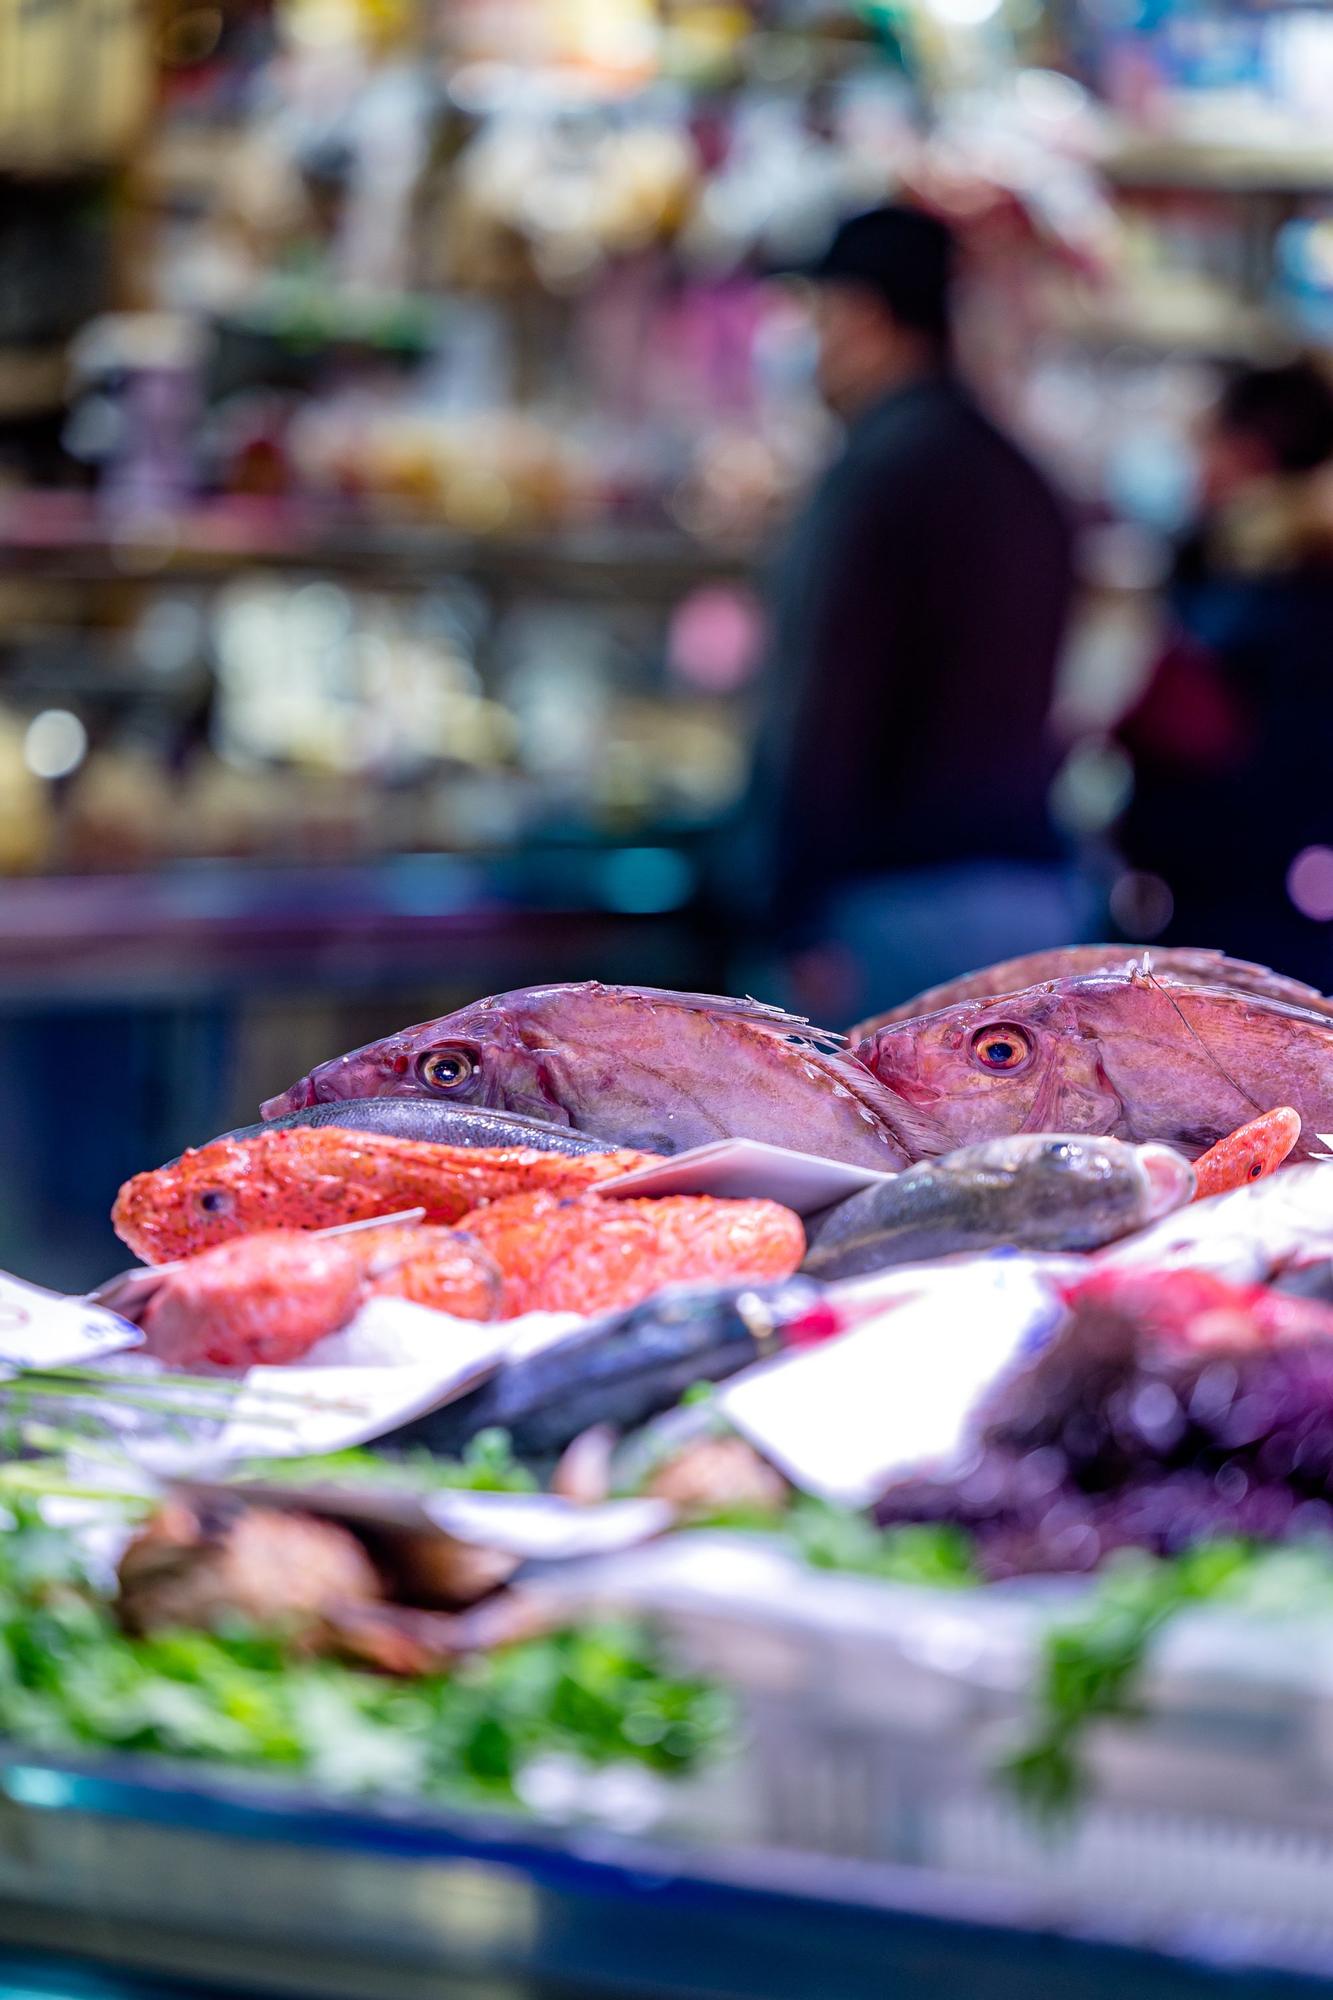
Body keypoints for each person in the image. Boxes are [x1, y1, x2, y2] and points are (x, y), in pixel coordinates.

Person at [742, 203, 1082, 1027]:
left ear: (863, 316)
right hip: (1031, 900)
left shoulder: (878, 471)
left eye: (818, 319)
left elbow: (823, 703)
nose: (813, 348)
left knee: (860, 1155)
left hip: (886, 920)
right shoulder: (1017, 469)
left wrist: (783, 910)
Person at [1113, 358, 1333, 989]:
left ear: (1250, 453)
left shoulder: (1258, 589)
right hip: (1258, 907)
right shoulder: (1244, 574)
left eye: (1204, 440)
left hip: (1239, 921)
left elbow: (1251, 776)